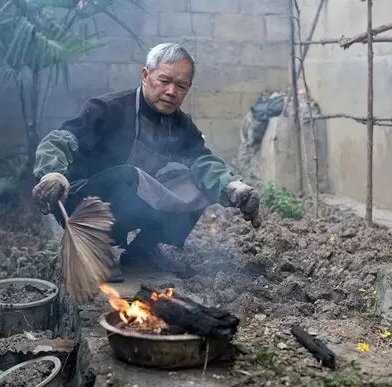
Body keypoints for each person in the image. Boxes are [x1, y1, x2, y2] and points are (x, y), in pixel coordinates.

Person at [31, 43, 261, 280]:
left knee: (198, 183)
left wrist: (232, 186)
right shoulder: (108, 109)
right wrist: (52, 174)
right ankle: (100, 248)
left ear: (188, 88)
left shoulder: (180, 124)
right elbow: (60, 140)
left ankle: (143, 251)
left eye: (181, 86)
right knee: (128, 176)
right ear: (145, 75)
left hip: (130, 204)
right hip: (80, 205)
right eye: (164, 80)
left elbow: (202, 161)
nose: (171, 91)